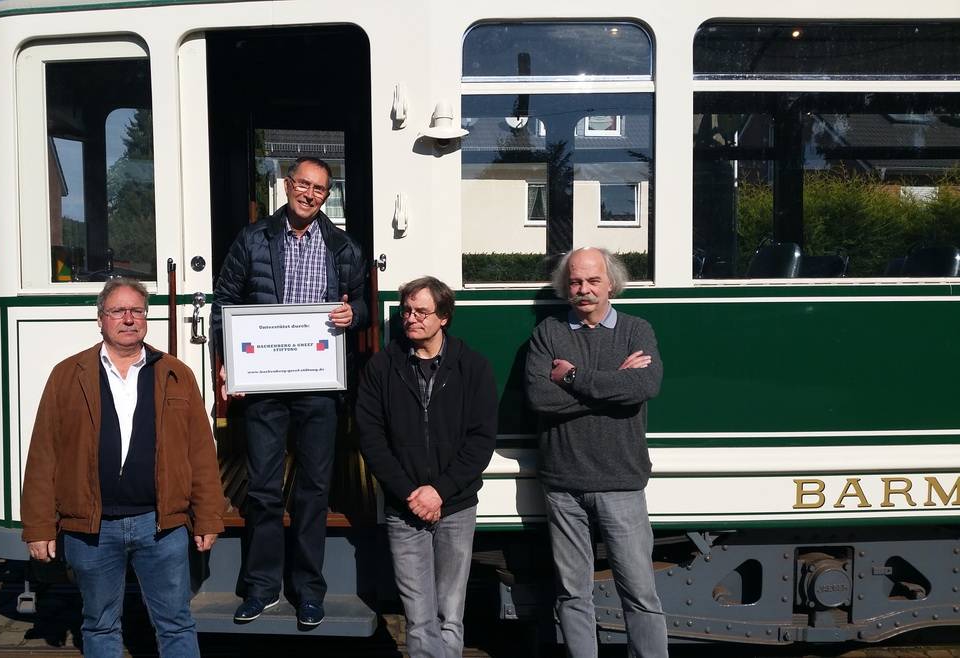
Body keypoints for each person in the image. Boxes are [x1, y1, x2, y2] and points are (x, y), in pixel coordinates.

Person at [21, 278, 225, 658]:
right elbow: (43, 454)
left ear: (145, 318)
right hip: (91, 529)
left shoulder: (176, 373)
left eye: (136, 311)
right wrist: (38, 526)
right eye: (118, 311)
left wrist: (208, 517)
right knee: (99, 625)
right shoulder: (68, 375)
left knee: (177, 624)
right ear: (101, 319)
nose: (128, 319)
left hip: (161, 526)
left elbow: (200, 452)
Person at [210, 156, 367, 625]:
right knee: (261, 489)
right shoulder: (252, 238)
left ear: (327, 195)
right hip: (265, 386)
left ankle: (309, 589)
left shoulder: (342, 247)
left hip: (319, 386)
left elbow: (359, 301)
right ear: (286, 185)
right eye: (303, 184)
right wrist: (227, 365)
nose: (309, 194)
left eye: (319, 189)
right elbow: (225, 301)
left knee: (315, 489)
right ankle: (261, 588)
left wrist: (352, 315)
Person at [524, 247, 668, 658]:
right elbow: (540, 398)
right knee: (572, 594)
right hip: (562, 485)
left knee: (639, 594)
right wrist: (612, 386)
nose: (583, 290)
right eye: (575, 282)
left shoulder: (637, 330)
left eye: (592, 281)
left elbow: (644, 388)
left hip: (621, 482)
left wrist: (571, 376)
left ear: (610, 285)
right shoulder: (548, 333)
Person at [356, 276, 497, 658]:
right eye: (406, 311)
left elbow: (482, 440)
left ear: (444, 317)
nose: (411, 318)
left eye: (422, 311)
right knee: (419, 617)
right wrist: (409, 493)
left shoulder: (473, 367)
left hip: (457, 506)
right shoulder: (381, 368)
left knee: (450, 614)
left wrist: (440, 491)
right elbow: (371, 438)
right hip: (405, 509)